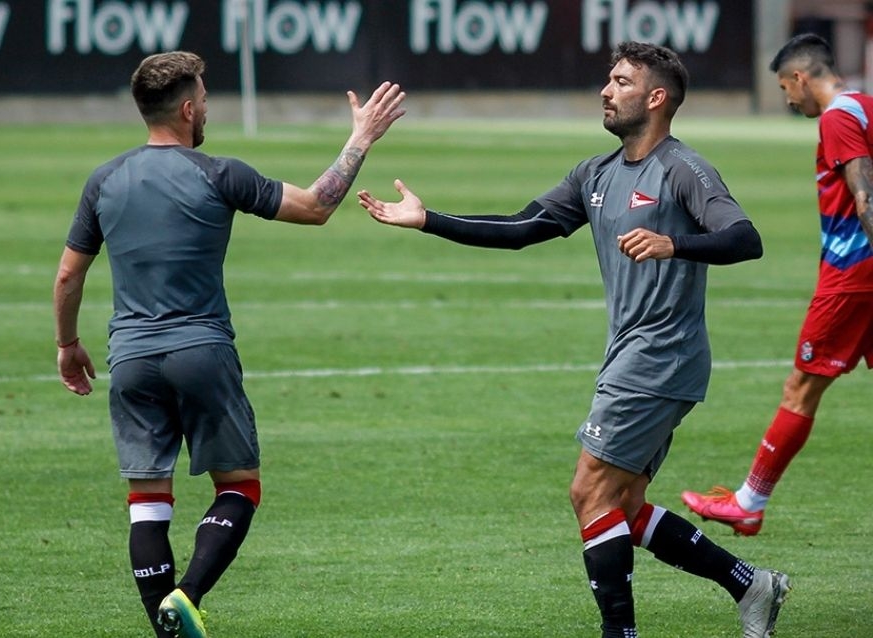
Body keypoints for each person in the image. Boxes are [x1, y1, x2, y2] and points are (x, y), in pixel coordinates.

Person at [358, 42, 789, 638]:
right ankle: (751, 585)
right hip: (634, 356)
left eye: (621, 82)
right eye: (608, 80)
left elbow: (744, 238)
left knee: (589, 492)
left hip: (660, 357)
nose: (606, 91)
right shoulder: (595, 174)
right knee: (623, 504)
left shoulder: (683, 169)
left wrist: (674, 243)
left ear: (656, 98)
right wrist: (429, 219)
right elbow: (521, 228)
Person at [52, 51, 405, 638]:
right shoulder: (219, 174)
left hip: (131, 358)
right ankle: (187, 595)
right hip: (202, 353)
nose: (208, 108)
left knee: (147, 501)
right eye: (206, 99)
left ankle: (165, 626)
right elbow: (317, 206)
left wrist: (67, 344)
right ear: (189, 110)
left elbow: (68, 275)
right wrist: (361, 137)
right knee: (240, 485)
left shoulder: (104, 180)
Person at [681, 33, 873, 537]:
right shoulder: (868, 107)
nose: (788, 101)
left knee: (801, 387)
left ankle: (749, 502)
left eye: (786, 88)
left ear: (800, 78)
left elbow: (864, 195)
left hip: (853, 279)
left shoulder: (837, 118)